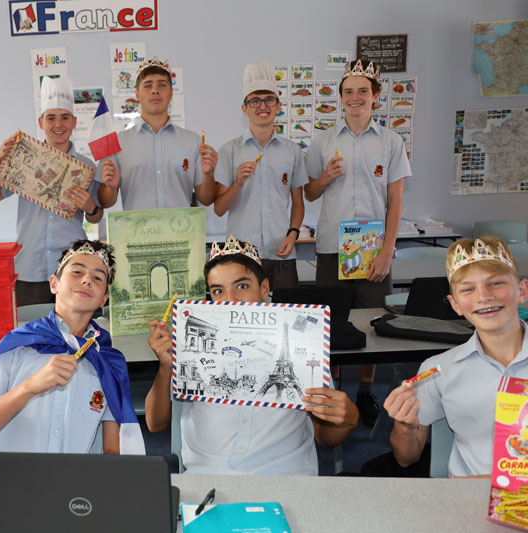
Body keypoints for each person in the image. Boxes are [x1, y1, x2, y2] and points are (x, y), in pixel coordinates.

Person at [143, 236, 358, 475]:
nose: (230, 300)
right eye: (218, 291)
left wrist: (347, 419)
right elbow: (155, 423)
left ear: (264, 289)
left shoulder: (302, 346)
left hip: (286, 477)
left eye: (242, 286)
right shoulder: (192, 347)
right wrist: (165, 367)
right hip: (208, 477)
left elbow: (326, 438)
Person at [0, 239, 145, 471]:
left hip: (69, 487)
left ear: (104, 298)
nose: (86, 280)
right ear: (54, 284)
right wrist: (30, 386)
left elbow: (112, 450)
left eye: (98, 278)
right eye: (77, 271)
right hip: (5, 484)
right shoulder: (17, 347)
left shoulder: (107, 363)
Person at [304, 59, 412, 426]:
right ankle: (333, 391)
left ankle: (366, 392)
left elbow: (396, 201)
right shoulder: (323, 140)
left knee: (372, 323)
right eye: (348, 91)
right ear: (340, 97)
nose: (355, 97)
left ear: (375, 96)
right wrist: (325, 177)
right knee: (331, 323)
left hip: (371, 250)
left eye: (362, 91)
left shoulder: (391, 142)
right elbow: (309, 192)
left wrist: (387, 252)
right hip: (332, 248)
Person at [384, 236, 528, 477]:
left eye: (496, 283)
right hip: (469, 495)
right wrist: (405, 425)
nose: (483, 296)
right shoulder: (438, 370)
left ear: (522, 290)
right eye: (468, 289)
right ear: (456, 305)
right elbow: (406, 458)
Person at [0, 77, 104, 306]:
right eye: (51, 118)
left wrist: (90, 207)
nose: (58, 124)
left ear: (74, 122)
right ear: (41, 122)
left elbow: (96, 215)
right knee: (31, 325)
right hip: (29, 266)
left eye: (65, 117)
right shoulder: (24, 159)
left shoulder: (86, 167)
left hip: (71, 267)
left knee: (71, 325)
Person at [214, 62, 307, 290]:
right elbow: (219, 208)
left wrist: (293, 234)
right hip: (241, 255)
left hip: (281, 252)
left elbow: (298, 203)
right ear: (244, 108)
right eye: (254, 101)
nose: (262, 106)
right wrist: (237, 184)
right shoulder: (229, 150)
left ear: (278, 106)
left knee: (285, 310)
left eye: (269, 100)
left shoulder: (292, 151)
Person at [96, 56, 217, 210]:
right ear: (137, 94)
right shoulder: (117, 143)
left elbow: (207, 199)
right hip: (136, 226)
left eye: (162, 85)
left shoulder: (193, 141)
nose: (155, 90)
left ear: (171, 93)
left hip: (180, 226)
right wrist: (110, 188)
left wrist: (208, 175)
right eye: (148, 85)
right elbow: (105, 202)